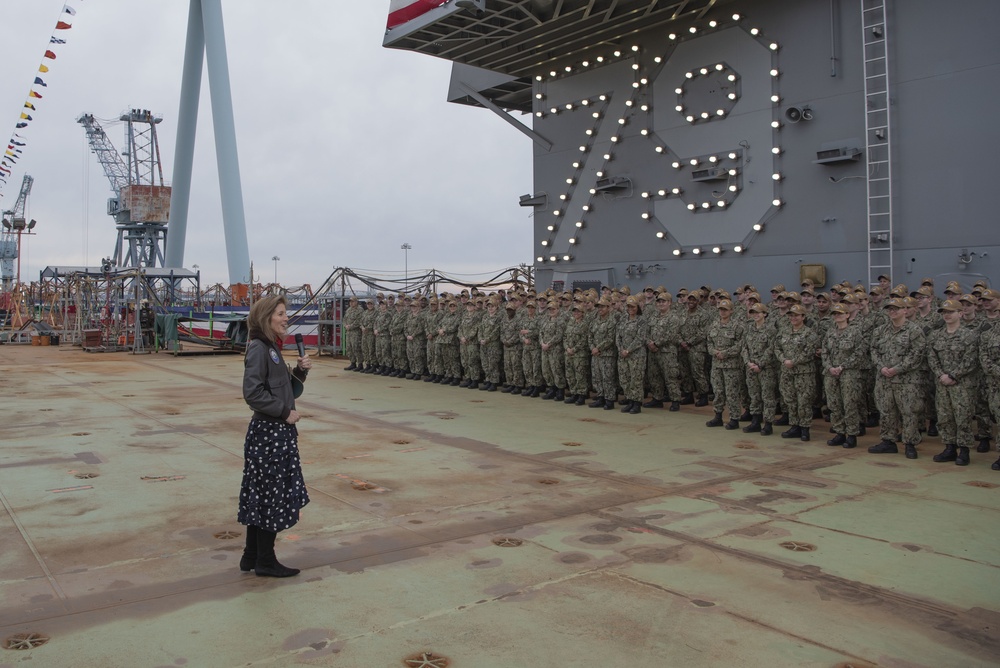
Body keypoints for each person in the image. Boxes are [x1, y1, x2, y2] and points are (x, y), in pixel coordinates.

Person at [238, 295, 312, 578]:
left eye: (286, 313)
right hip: (270, 433)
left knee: (260, 494)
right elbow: (253, 393)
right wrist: (284, 413)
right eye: (280, 313)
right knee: (270, 495)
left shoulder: (271, 348)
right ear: (266, 317)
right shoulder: (259, 348)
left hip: (274, 432)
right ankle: (266, 561)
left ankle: (251, 555)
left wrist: (299, 373)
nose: (285, 318)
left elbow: (282, 387)